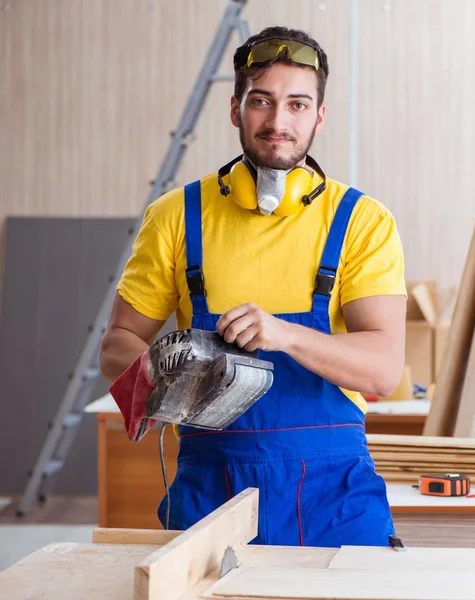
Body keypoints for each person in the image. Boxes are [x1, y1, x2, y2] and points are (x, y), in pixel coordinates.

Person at [100, 26, 407, 548]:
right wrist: (153, 372)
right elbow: (117, 342)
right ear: (235, 108)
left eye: (297, 105)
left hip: (334, 497)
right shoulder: (177, 216)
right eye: (261, 101)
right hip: (209, 489)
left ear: (320, 116)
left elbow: (383, 369)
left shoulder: (361, 221)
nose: (279, 122)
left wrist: (284, 335)